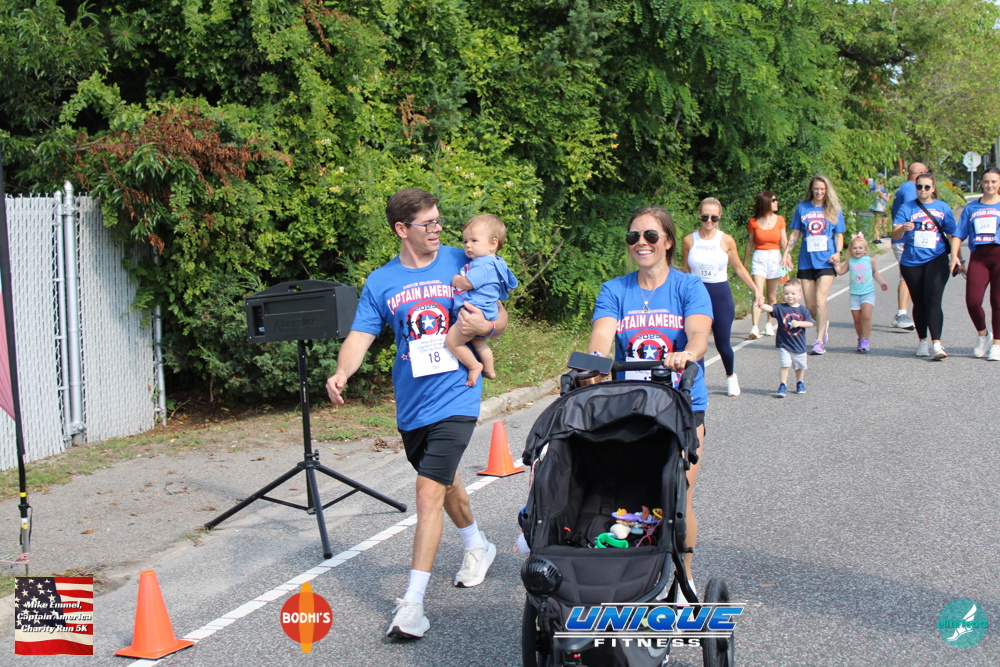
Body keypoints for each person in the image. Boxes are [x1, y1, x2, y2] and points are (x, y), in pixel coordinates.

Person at [325, 188, 505, 640]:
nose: (437, 229)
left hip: (458, 394)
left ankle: (413, 605)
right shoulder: (381, 281)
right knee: (443, 481)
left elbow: (498, 314)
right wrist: (342, 371)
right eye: (428, 223)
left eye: (438, 220)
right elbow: (361, 336)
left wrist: (487, 326)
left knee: (427, 492)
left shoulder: (464, 259)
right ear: (401, 229)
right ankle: (477, 545)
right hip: (413, 404)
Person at [588, 204, 712, 594]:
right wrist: (593, 364)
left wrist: (687, 354)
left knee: (677, 494)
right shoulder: (615, 290)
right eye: (634, 236)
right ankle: (632, 573)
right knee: (632, 491)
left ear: (668, 241)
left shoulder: (688, 287)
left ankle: (684, 578)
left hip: (681, 404)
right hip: (632, 406)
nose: (641, 243)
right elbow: (601, 337)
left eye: (651, 236)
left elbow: (698, 333)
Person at [682, 197, 762, 397]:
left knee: (722, 344)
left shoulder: (726, 240)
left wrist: (756, 289)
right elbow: (685, 270)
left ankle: (730, 376)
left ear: (720, 217)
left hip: (720, 294)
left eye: (714, 217)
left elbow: (739, 268)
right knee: (696, 341)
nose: (709, 221)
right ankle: (698, 386)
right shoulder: (689, 240)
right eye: (705, 217)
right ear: (699, 215)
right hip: (696, 295)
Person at [447, 214, 518, 385]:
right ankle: (490, 370)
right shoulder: (497, 263)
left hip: (473, 312)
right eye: (465, 241)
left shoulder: (483, 264)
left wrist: (457, 280)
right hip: (487, 312)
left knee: (453, 342)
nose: (468, 245)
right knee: (479, 343)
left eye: (474, 240)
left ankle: (474, 366)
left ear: (493, 244)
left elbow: (468, 283)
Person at [892, 172, 957, 360]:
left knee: (933, 299)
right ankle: (922, 341)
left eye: (927, 187)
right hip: (911, 261)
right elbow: (895, 235)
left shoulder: (942, 207)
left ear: (933, 188)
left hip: (936, 258)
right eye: (919, 186)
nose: (923, 190)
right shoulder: (906, 208)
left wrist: (956, 258)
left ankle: (937, 344)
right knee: (919, 301)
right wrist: (902, 229)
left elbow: (953, 235)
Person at [782, 174, 845, 355]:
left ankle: (819, 341)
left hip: (826, 261)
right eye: (816, 188)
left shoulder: (833, 209)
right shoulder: (802, 208)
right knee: (810, 306)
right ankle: (823, 324)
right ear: (811, 189)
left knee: (820, 300)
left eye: (822, 189)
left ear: (827, 191)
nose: (819, 192)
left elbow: (839, 235)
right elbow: (795, 234)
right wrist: (786, 253)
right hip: (806, 261)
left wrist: (838, 252)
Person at [952, 167, 1000, 360]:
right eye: (986, 181)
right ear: (981, 182)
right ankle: (983, 335)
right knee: (973, 301)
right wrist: (954, 257)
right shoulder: (971, 208)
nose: (990, 185)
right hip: (979, 257)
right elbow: (958, 234)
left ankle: (997, 344)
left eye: (994, 181)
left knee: (997, 302)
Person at [889, 162, 928, 330]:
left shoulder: (904, 187)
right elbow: (913, 212)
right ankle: (901, 314)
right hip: (905, 240)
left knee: (911, 276)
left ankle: (906, 312)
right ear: (922, 173)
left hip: (903, 239)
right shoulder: (912, 189)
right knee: (907, 276)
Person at [744, 191, 787, 340]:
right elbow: (750, 242)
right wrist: (745, 261)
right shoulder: (753, 221)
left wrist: (787, 257)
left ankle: (769, 323)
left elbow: (784, 241)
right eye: (773, 200)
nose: (776, 202)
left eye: (776, 199)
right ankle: (755, 326)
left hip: (775, 257)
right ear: (766, 202)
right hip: (759, 257)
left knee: (771, 295)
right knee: (758, 293)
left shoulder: (780, 219)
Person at [760, 279, 814, 397]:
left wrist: (799, 323)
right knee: (785, 364)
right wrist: (761, 305)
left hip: (799, 344)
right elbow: (771, 309)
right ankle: (783, 384)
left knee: (799, 366)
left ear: (800, 295)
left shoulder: (803, 310)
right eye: (786, 293)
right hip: (783, 343)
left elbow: (810, 323)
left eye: (793, 293)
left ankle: (800, 382)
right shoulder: (780, 307)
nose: (789, 296)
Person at [835, 233, 889, 352]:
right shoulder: (850, 261)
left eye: (860, 248)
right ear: (851, 250)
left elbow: (875, 272)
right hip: (854, 294)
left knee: (866, 316)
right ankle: (860, 338)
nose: (857, 250)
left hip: (868, 293)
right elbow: (840, 272)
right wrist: (835, 264)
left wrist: (882, 282)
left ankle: (865, 339)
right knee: (857, 319)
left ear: (865, 250)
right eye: (855, 248)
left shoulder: (869, 260)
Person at [869, 175, 890, 240]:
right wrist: (889, 195)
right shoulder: (879, 192)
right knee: (877, 225)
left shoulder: (875, 191)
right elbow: (887, 199)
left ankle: (878, 237)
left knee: (879, 223)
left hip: (879, 208)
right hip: (879, 209)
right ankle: (876, 238)